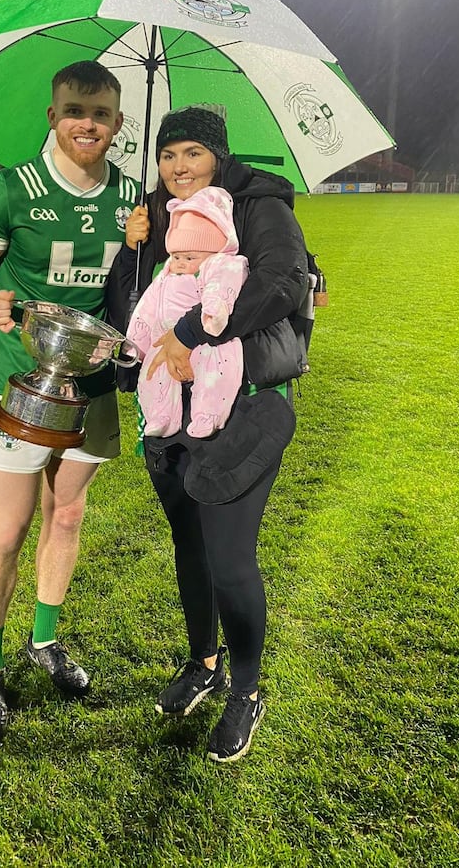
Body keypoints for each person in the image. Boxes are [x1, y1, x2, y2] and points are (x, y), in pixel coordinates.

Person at [106, 106, 310, 764]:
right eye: (168, 156)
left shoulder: (260, 205)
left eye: (191, 153)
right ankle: (204, 662)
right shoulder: (157, 215)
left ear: (218, 156)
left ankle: (246, 691)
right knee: (189, 550)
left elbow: (282, 283)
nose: (177, 167)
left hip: (246, 407)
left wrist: (194, 333)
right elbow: (129, 315)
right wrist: (131, 249)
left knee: (229, 560)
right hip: (170, 411)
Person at [0, 60, 137, 740]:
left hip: (97, 384)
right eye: (76, 110)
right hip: (23, 384)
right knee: (9, 528)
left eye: (103, 113)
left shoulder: (135, 199)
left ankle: (45, 639)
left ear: (118, 123)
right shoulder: (9, 190)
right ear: (53, 117)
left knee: (69, 516)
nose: (89, 123)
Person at [126, 185, 248, 438]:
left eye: (189, 257)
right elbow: (148, 304)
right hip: (165, 338)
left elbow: (221, 286)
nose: (180, 263)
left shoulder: (222, 264)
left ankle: (208, 415)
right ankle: (160, 415)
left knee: (218, 371)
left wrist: (213, 309)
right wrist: (136, 339)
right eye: (177, 256)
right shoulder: (169, 272)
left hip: (208, 337)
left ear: (213, 252)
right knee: (153, 372)